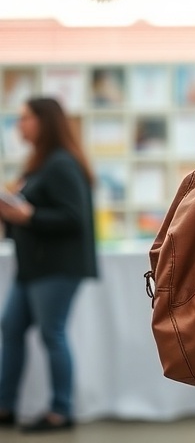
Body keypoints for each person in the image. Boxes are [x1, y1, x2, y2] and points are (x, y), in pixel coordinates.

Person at [0, 97, 97, 433]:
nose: (19, 124)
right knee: (10, 328)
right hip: (32, 268)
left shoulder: (61, 164)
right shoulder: (39, 164)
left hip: (56, 268)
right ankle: (6, 405)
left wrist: (29, 215)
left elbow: (75, 219)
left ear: (45, 122)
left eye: (25, 118)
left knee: (51, 333)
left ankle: (61, 410)